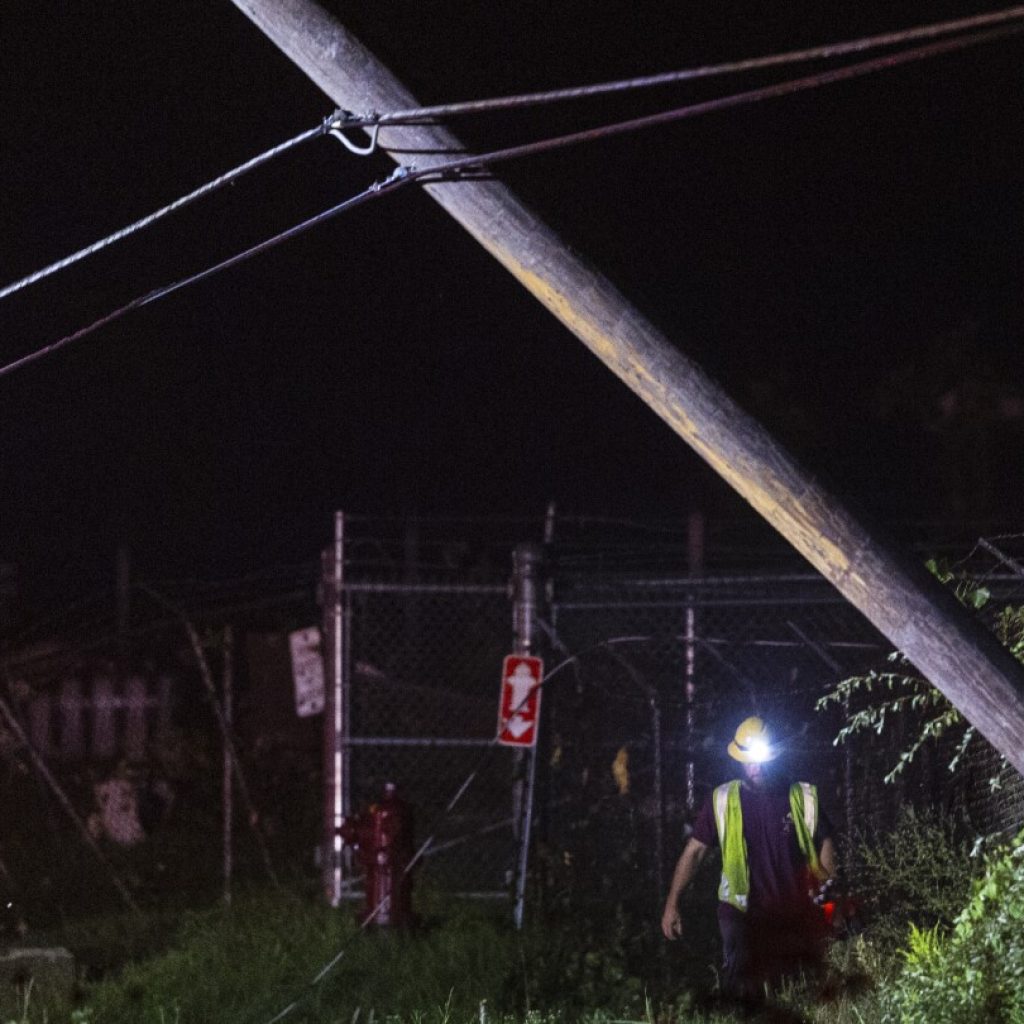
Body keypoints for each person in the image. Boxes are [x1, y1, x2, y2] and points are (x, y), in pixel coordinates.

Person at [661, 716, 837, 1001]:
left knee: (791, 989)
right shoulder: (722, 800)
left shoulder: (802, 796)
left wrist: (827, 885)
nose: (755, 766)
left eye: (760, 759)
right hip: (739, 911)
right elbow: (694, 852)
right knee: (744, 986)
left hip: (791, 910)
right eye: (748, 759)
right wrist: (672, 903)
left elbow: (824, 839)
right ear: (739, 760)